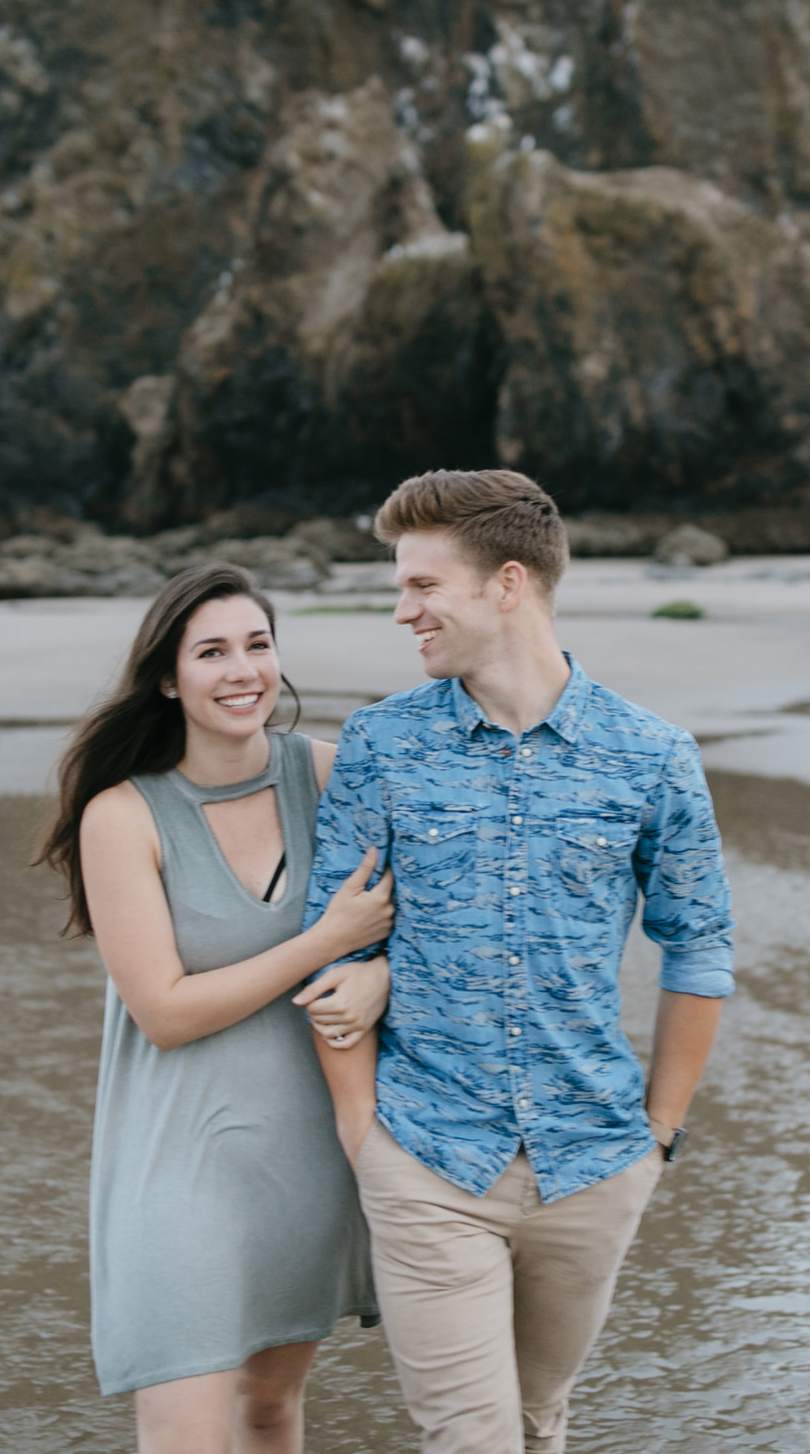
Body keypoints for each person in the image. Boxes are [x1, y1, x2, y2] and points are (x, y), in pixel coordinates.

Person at [303, 470, 736, 1454]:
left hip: (594, 1160)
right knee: (473, 1437)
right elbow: (337, 939)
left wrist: (655, 1136)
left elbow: (699, 948)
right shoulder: (381, 744)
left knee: (540, 1424)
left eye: (421, 585)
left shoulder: (651, 755)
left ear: (507, 584)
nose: (402, 610)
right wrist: (359, 1126)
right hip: (423, 1157)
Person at [37, 561, 400, 1453]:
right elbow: (164, 1010)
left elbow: (415, 933)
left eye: (258, 645)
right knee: (185, 1431)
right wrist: (322, 943)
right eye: (212, 652)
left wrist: (378, 974)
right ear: (168, 676)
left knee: (271, 1412)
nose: (243, 671)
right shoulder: (121, 817)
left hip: (308, 1153)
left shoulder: (330, 773)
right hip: (180, 1166)